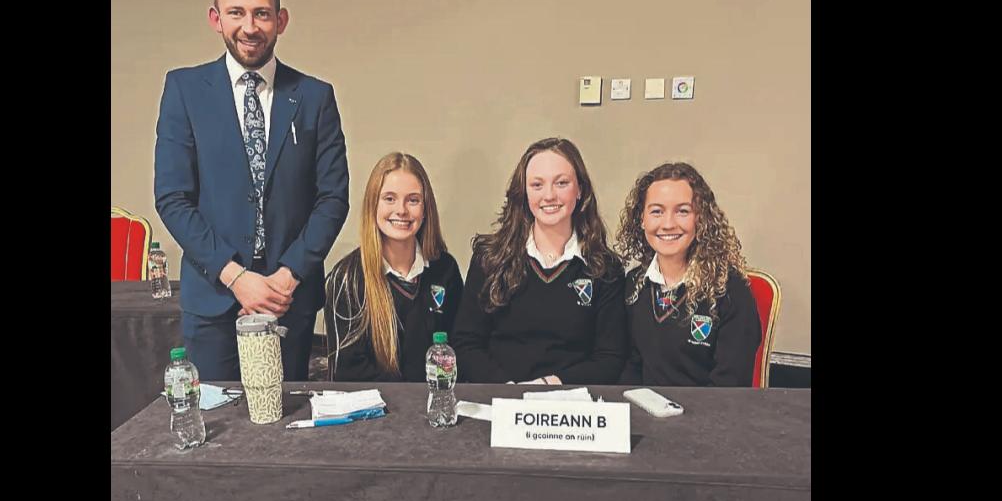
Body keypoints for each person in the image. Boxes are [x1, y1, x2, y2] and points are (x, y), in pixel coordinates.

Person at [154, 0, 349, 382]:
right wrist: (237, 277)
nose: (249, 27)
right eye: (236, 13)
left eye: (261, 13)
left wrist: (287, 276)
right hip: (213, 300)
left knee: (283, 430)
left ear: (280, 19)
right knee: (215, 432)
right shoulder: (185, 90)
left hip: (288, 299)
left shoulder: (315, 97)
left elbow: (333, 198)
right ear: (215, 19)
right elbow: (173, 199)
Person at [452, 138, 626, 384]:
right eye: (537, 185)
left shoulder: (604, 268)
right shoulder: (489, 258)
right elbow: (465, 343)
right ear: (524, 192)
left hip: (572, 406)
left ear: (580, 190)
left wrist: (547, 387)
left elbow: (610, 358)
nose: (549, 195)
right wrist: (510, 391)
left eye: (562, 183)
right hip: (500, 401)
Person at [615, 162, 761, 386]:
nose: (668, 224)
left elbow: (729, 388)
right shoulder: (633, 283)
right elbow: (632, 367)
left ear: (700, 219)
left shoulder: (731, 290)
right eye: (656, 211)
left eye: (682, 211)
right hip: (645, 414)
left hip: (707, 418)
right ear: (641, 219)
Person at [324, 153, 463, 381]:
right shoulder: (347, 278)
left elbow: (458, 347)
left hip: (436, 404)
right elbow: (348, 373)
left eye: (413, 200)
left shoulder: (445, 269)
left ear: (426, 208)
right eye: (389, 198)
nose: (402, 210)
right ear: (372, 205)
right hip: (378, 410)